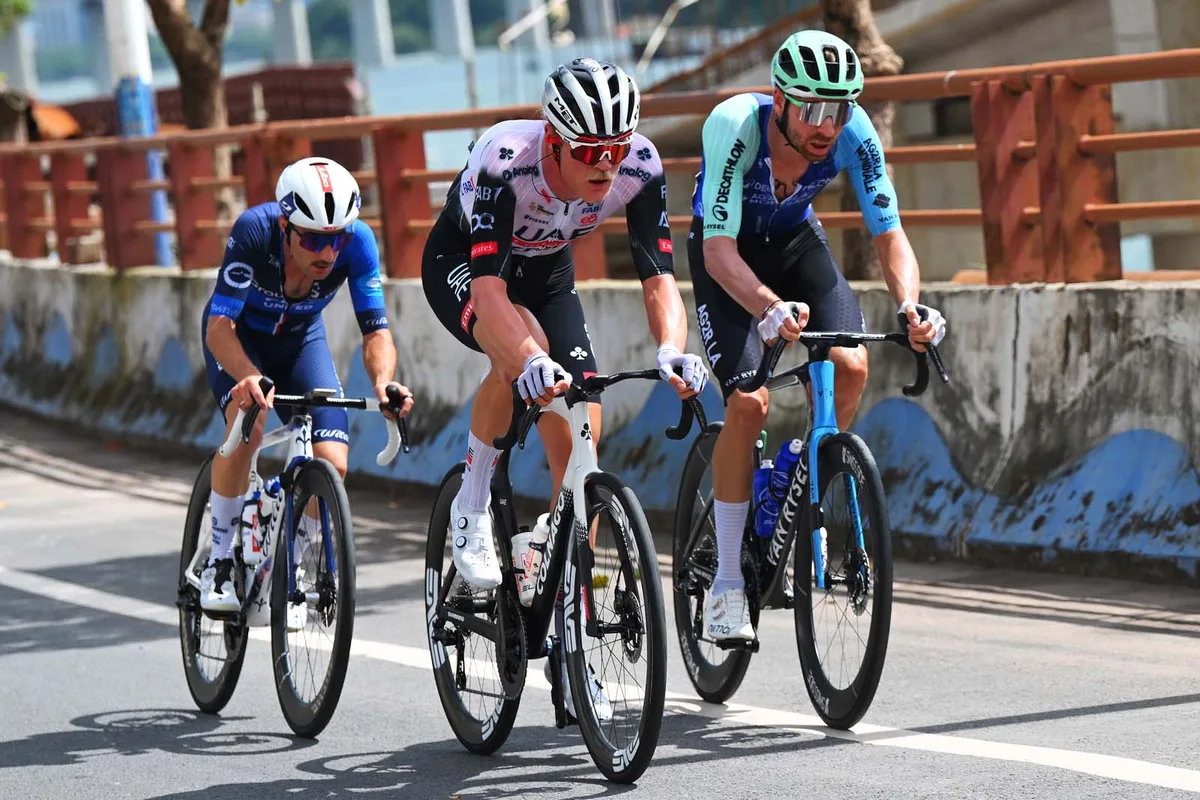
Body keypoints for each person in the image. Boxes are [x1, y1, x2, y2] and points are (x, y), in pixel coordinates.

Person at [422, 57, 708, 715]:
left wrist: (671, 348)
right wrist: (526, 356)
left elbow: (658, 275)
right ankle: (470, 506)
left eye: (614, 149)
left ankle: (561, 596)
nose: (606, 165)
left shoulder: (639, 166)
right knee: (516, 357)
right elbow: (491, 291)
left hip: (547, 272)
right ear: (553, 141)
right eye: (589, 152)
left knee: (585, 431)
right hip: (467, 265)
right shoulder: (505, 160)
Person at [688, 30, 948, 642]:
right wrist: (767, 306)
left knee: (850, 365)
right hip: (728, 256)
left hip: (795, 242)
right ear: (778, 98)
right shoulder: (735, 125)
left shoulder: (854, 133)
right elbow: (719, 249)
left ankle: (807, 465)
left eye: (840, 109)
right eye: (812, 108)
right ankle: (727, 580)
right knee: (748, 402)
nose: (827, 124)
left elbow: (889, 235)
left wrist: (911, 306)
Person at [200, 156, 414, 615]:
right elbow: (219, 327)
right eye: (314, 238)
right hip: (240, 339)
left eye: (335, 239)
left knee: (333, 462)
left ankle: (290, 567)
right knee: (249, 427)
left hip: (300, 341)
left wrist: (383, 385)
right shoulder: (254, 232)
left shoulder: (358, 244)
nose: (326, 252)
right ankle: (218, 561)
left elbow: (376, 332)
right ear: (285, 225)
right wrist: (247, 375)